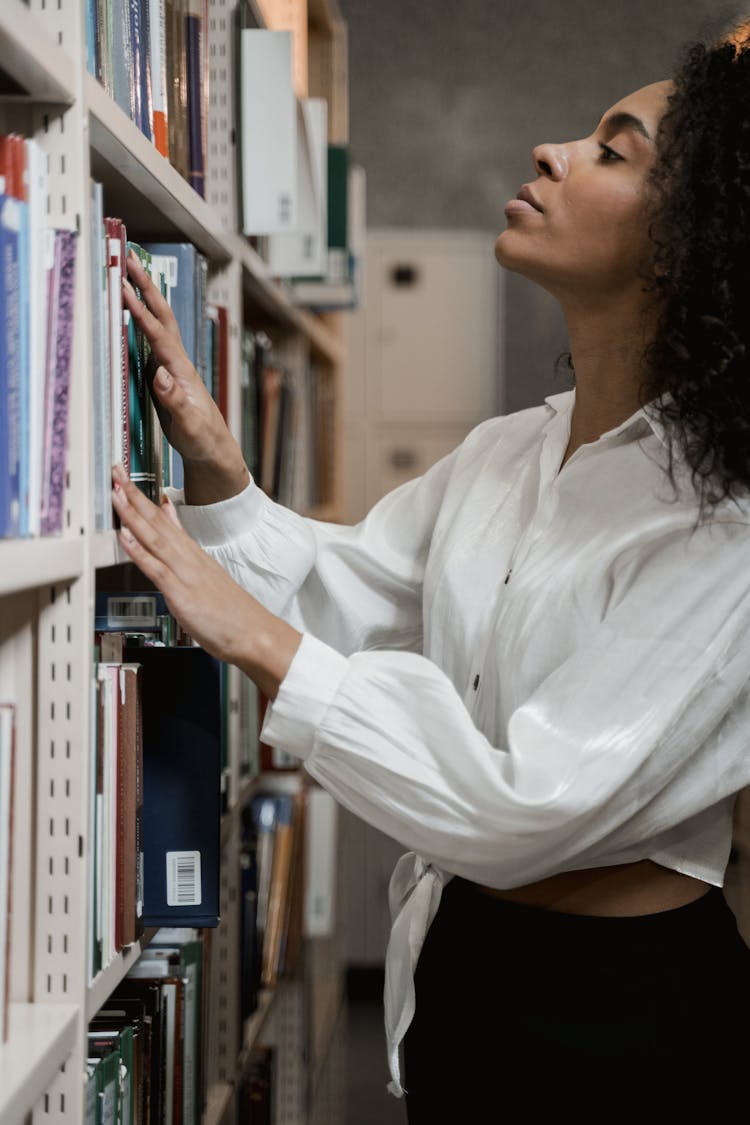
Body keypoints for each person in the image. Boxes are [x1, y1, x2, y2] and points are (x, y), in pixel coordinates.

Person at [115, 17, 750, 1119]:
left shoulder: (727, 521)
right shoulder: (510, 450)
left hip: (629, 1019)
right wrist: (219, 471)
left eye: (613, 149)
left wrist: (261, 644)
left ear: (693, 238)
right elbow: (347, 594)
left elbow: (525, 806)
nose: (552, 152)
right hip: (466, 970)